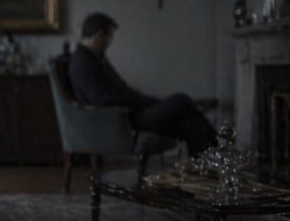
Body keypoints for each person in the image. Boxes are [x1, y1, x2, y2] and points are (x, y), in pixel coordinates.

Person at [68, 12, 216, 157]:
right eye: (109, 37)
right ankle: (220, 147)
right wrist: (144, 102)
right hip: (123, 120)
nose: (109, 42)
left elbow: (121, 89)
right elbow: (103, 98)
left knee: (192, 126)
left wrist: (146, 101)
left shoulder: (95, 59)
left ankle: (205, 169)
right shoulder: (83, 62)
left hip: (131, 113)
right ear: (100, 35)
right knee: (180, 100)